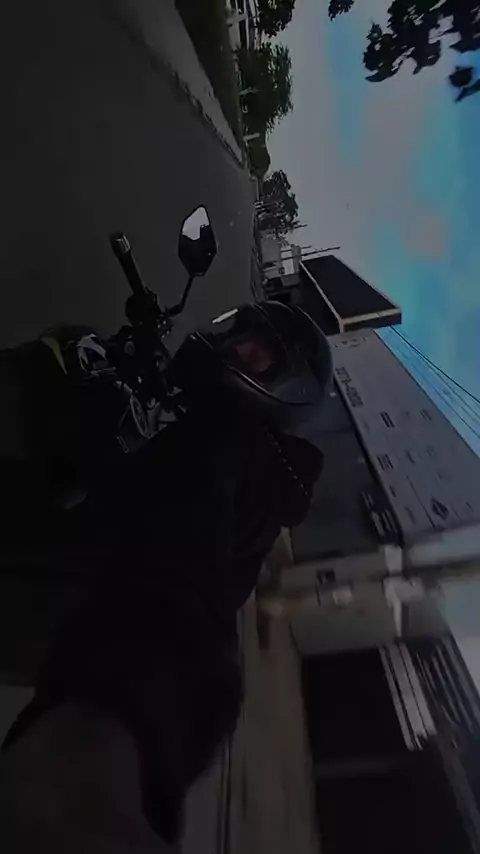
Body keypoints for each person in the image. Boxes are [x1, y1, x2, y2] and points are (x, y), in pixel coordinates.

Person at [0, 301, 332, 853]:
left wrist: (94, 756)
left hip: (64, 600)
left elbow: (180, 564)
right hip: (60, 614)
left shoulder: (230, 440)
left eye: (255, 352)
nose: (232, 346)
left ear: (284, 391)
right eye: (236, 331)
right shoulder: (260, 476)